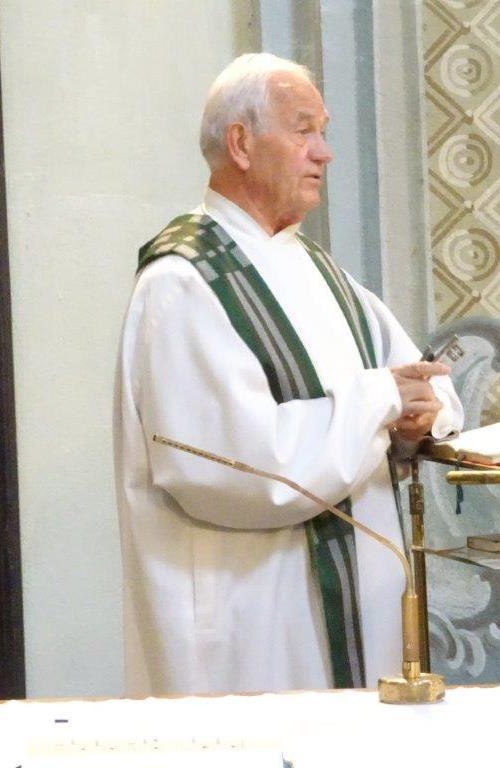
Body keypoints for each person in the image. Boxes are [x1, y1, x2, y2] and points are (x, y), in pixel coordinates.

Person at [113, 53, 463, 697]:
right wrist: (380, 402)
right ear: (241, 144)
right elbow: (239, 467)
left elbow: (415, 379)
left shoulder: (317, 269)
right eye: (304, 131)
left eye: (323, 132)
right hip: (254, 625)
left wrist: (415, 417)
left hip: (362, 618)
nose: (324, 153)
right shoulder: (185, 283)